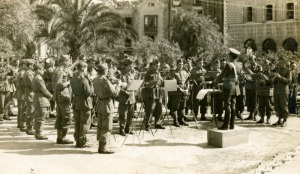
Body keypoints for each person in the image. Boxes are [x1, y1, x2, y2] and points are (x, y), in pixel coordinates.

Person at [93, 63, 120, 154]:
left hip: (99, 103)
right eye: (107, 69)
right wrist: (118, 85)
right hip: (106, 105)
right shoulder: (105, 80)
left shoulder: (95, 79)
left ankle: (101, 146)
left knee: (100, 126)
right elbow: (115, 93)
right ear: (105, 70)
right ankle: (103, 148)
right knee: (107, 127)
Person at [213, 48, 242, 130]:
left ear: (231, 56)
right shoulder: (240, 65)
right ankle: (232, 124)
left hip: (228, 86)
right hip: (236, 86)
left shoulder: (228, 65)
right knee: (233, 104)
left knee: (227, 105)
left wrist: (215, 82)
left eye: (229, 55)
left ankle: (225, 125)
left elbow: (221, 76)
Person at [70, 61, 94, 148]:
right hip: (84, 102)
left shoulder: (73, 78)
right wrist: (91, 85)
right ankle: (82, 141)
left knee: (77, 122)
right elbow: (88, 92)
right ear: (83, 68)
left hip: (76, 102)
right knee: (84, 123)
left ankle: (77, 140)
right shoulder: (83, 79)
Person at [52, 55, 74, 144]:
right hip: (63, 96)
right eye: (68, 61)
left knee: (60, 117)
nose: (69, 63)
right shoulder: (60, 71)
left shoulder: (60, 69)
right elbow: (58, 85)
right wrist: (69, 82)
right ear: (64, 61)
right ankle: (62, 137)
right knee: (67, 117)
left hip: (61, 96)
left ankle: (60, 137)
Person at [143, 58, 165, 131]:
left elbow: (161, 81)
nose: (158, 67)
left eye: (158, 66)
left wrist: (163, 82)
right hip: (151, 94)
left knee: (159, 109)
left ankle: (158, 123)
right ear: (152, 66)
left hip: (159, 93)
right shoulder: (148, 74)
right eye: (156, 66)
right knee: (150, 110)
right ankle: (147, 125)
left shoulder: (158, 73)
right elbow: (145, 85)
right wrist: (153, 82)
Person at [32, 64, 53, 140]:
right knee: (41, 116)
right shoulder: (39, 78)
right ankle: (39, 133)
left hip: (37, 98)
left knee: (38, 116)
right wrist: (50, 95)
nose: (43, 71)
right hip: (41, 98)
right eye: (42, 69)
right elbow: (43, 89)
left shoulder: (35, 77)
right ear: (38, 70)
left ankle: (37, 132)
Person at [168, 59, 190, 127]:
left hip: (184, 92)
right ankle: (175, 121)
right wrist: (181, 90)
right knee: (175, 107)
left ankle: (182, 120)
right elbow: (173, 83)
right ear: (177, 64)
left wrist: (187, 89)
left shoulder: (185, 72)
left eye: (182, 64)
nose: (181, 66)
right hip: (176, 92)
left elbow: (187, 81)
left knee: (182, 106)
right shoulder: (173, 73)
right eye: (180, 64)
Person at [117, 59, 136, 136]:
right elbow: (118, 87)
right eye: (130, 66)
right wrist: (126, 92)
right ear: (126, 66)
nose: (132, 67)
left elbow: (133, 85)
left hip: (131, 98)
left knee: (130, 114)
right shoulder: (121, 76)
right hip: (123, 98)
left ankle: (128, 128)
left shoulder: (131, 75)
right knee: (123, 115)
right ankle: (122, 129)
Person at [272, 58, 291, 127]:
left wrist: (280, 77)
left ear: (284, 63)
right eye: (279, 62)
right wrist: (273, 78)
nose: (279, 64)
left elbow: (289, 81)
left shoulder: (288, 70)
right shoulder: (277, 70)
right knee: (277, 105)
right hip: (276, 90)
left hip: (284, 91)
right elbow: (273, 82)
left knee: (284, 106)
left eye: (281, 62)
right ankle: (279, 120)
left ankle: (285, 120)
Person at [23, 59, 35, 135]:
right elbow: (32, 84)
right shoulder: (29, 73)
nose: (34, 67)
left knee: (29, 111)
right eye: (33, 65)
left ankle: (29, 127)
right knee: (31, 111)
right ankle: (30, 128)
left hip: (29, 93)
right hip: (31, 93)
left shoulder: (27, 72)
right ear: (30, 65)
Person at [16, 59, 28, 131]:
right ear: (22, 65)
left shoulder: (20, 72)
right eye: (25, 65)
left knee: (21, 109)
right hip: (23, 93)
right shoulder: (22, 73)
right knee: (23, 109)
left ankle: (20, 123)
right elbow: (23, 84)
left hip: (21, 93)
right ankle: (22, 124)